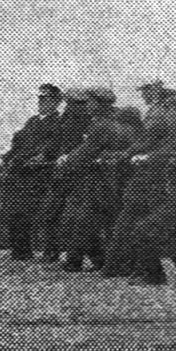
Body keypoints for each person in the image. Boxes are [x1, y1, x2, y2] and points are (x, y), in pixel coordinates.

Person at [102, 82, 176, 281]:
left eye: (173, 110)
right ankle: (154, 271)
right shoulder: (167, 123)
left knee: (147, 228)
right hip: (156, 180)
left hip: (163, 183)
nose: (169, 113)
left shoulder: (174, 124)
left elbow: (159, 146)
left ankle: (152, 272)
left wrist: (133, 156)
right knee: (148, 228)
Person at [57, 87, 135, 272]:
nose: (87, 106)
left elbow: (86, 151)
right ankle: (96, 261)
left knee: (85, 220)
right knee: (96, 222)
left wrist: (66, 160)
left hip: (102, 180)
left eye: (90, 102)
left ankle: (78, 262)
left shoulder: (101, 125)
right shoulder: (117, 121)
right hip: (116, 179)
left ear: (100, 104)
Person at [0, 84, 63, 260]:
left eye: (47, 99)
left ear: (57, 102)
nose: (42, 102)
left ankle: (50, 250)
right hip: (21, 173)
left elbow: (53, 145)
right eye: (40, 98)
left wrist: (40, 156)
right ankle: (21, 251)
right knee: (16, 211)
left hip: (41, 173)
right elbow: (18, 144)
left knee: (46, 213)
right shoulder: (32, 121)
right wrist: (8, 156)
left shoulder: (58, 122)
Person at [38, 89, 93, 263]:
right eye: (71, 103)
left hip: (79, 174)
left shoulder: (87, 121)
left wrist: (64, 157)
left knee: (73, 217)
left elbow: (87, 147)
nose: (73, 107)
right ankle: (52, 252)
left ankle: (75, 257)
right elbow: (55, 143)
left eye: (77, 104)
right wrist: (44, 156)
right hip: (63, 174)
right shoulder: (66, 119)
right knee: (52, 213)